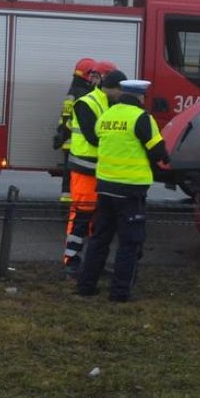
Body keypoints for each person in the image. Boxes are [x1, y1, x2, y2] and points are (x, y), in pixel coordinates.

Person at [76, 79, 169, 302]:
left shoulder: (107, 116)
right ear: (141, 97)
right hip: (130, 190)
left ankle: (86, 286)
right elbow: (158, 151)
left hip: (105, 187)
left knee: (99, 239)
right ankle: (119, 293)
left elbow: (99, 139)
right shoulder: (141, 118)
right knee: (129, 243)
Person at [62, 64, 127, 277]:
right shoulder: (87, 103)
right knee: (81, 217)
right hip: (85, 170)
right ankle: (71, 260)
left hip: (101, 171)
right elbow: (93, 137)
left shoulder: (110, 104)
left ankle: (91, 264)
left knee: (98, 221)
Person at [54, 58, 98, 203]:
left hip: (67, 140)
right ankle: (76, 204)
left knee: (68, 175)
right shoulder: (86, 93)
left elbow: (65, 116)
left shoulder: (72, 91)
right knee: (78, 175)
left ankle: (66, 201)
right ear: (87, 74)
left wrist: (60, 134)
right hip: (78, 143)